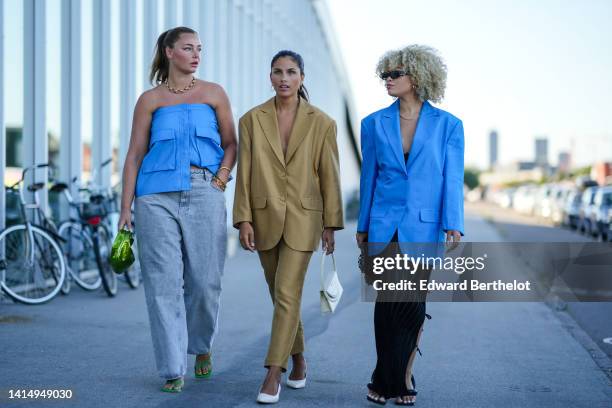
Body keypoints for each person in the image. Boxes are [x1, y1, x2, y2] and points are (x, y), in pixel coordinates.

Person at [118, 26, 237, 393]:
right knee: (162, 284)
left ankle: (200, 347)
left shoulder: (214, 93)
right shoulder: (150, 100)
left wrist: (219, 179)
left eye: (199, 48)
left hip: (204, 190)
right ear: (169, 52)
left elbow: (231, 143)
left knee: (205, 281)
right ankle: (172, 368)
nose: (196, 54)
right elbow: (135, 154)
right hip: (154, 196)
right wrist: (125, 208)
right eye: (188, 48)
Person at [233, 50, 344, 404]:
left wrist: (331, 225)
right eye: (277, 72)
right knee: (283, 297)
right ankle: (298, 361)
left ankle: (272, 373)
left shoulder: (322, 122)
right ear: (270, 77)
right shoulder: (251, 120)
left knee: (285, 294)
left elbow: (330, 175)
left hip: (304, 217)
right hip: (263, 217)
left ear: (301, 78)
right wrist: (243, 219)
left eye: (291, 72)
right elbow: (245, 173)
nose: (284, 78)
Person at [357, 45, 464, 405]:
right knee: (387, 303)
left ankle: (399, 376)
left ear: (417, 77)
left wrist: (454, 223)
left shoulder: (448, 125)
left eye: (394, 74)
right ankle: (383, 373)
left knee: (412, 304)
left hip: (424, 226)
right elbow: (368, 176)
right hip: (384, 226)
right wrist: (363, 226)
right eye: (385, 74)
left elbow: (452, 178)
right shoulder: (372, 123)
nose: (387, 80)